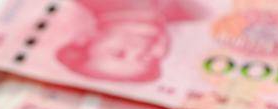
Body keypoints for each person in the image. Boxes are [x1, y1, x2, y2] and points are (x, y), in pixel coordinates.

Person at [53, 0, 210, 84]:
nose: (142, 51)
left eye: (118, 53)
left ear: (86, 38)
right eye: (147, 60)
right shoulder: (196, 15)